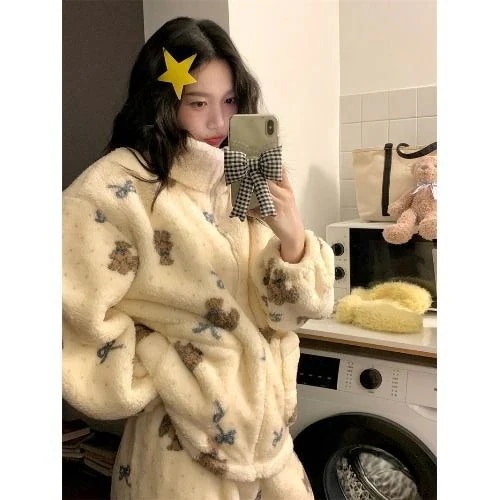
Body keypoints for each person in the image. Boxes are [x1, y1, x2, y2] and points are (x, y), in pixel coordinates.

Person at [63, 16, 335, 500]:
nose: (219, 123)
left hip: (269, 443)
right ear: (160, 102)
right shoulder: (116, 187)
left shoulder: (242, 180)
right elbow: (70, 310)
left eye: (229, 101)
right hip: (179, 448)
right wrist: (164, 371)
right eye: (198, 103)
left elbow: (289, 314)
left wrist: (292, 237)